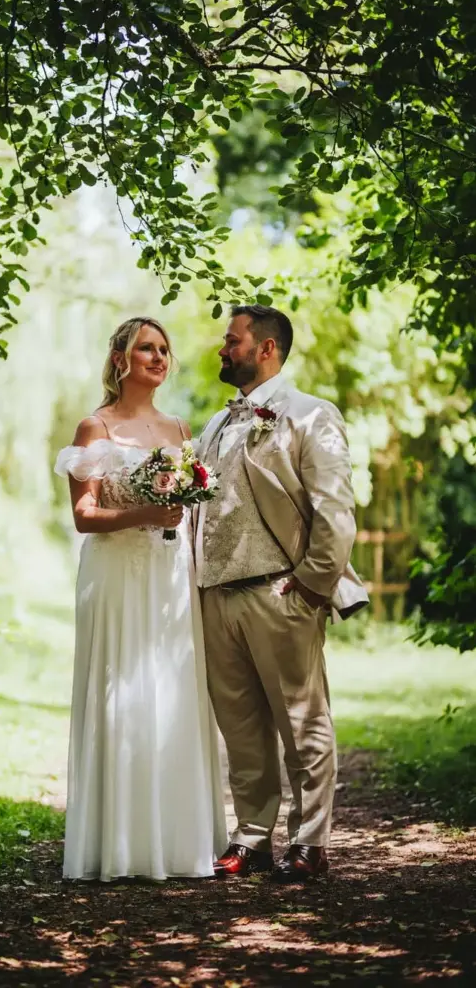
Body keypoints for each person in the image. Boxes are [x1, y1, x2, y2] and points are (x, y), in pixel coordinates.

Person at [196, 304, 368, 883]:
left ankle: (311, 841)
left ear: (265, 348)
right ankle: (252, 838)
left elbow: (336, 511)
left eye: (232, 340)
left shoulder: (311, 416)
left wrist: (312, 586)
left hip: (281, 592)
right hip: (216, 596)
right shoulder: (215, 427)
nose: (222, 349)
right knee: (240, 728)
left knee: (302, 722)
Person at [55, 316, 226, 881]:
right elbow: (84, 517)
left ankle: (176, 842)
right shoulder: (95, 428)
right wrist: (145, 514)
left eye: (163, 349)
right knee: (121, 692)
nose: (157, 357)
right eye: (145, 348)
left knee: (174, 692)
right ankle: (121, 844)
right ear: (120, 359)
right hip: (117, 576)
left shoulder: (179, 429)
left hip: (170, 576)